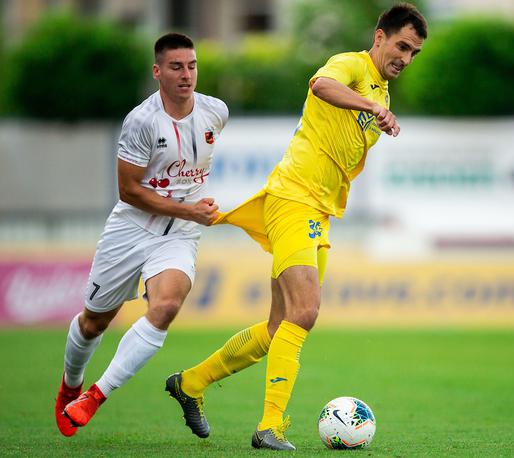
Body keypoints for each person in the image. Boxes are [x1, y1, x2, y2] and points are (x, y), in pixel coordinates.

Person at [164, 3, 427, 451]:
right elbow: (321, 85)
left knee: (278, 327)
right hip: (294, 200)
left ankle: (190, 382)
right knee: (305, 312)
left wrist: (373, 109)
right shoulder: (353, 66)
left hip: (317, 212)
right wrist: (367, 104)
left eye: (414, 52)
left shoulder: (381, 94)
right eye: (401, 45)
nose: (405, 57)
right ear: (379, 37)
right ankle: (271, 427)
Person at [54, 32, 228, 437]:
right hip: (130, 230)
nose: (186, 75)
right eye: (176, 67)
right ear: (157, 72)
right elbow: (129, 190)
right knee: (94, 322)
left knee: (166, 305)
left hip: (180, 234)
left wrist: (190, 212)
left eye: (192, 65)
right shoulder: (142, 121)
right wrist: (189, 208)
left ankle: (95, 396)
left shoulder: (216, 111)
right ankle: (70, 384)